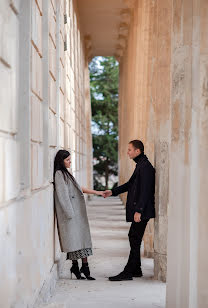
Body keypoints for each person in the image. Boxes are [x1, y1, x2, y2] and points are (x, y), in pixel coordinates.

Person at [104, 140, 155, 281]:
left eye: (130, 150)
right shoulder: (141, 165)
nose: (128, 152)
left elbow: (146, 191)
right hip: (141, 209)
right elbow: (130, 184)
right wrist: (112, 192)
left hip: (143, 210)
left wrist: (139, 211)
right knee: (133, 236)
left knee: (134, 237)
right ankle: (136, 269)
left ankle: (128, 272)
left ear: (137, 151)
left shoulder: (146, 167)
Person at [54, 149, 104, 280]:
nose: (70, 162)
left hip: (76, 213)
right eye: (67, 160)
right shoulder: (59, 174)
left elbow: (78, 188)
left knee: (81, 240)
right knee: (75, 242)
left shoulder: (66, 173)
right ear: (61, 161)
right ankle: (78, 267)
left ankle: (81, 267)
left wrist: (97, 192)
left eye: (70, 159)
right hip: (71, 214)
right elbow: (62, 196)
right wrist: (70, 214)